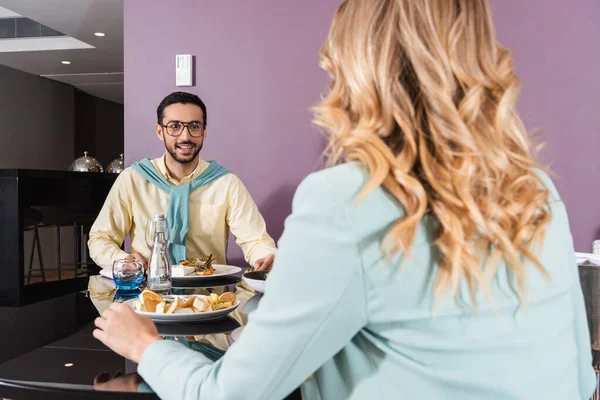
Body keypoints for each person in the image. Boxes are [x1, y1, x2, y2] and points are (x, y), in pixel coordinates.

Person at [92, 1, 596, 399]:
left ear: (357, 66)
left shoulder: (345, 201)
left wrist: (146, 347)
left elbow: (228, 393)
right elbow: (581, 380)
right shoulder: (537, 191)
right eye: (176, 126)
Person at [88, 91, 277, 271]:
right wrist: (124, 260)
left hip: (209, 299)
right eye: (174, 126)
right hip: (146, 297)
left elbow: (256, 240)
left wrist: (267, 257)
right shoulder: (132, 179)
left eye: (194, 126)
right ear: (160, 131)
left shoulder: (226, 183)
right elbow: (100, 239)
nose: (185, 137)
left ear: (204, 132)